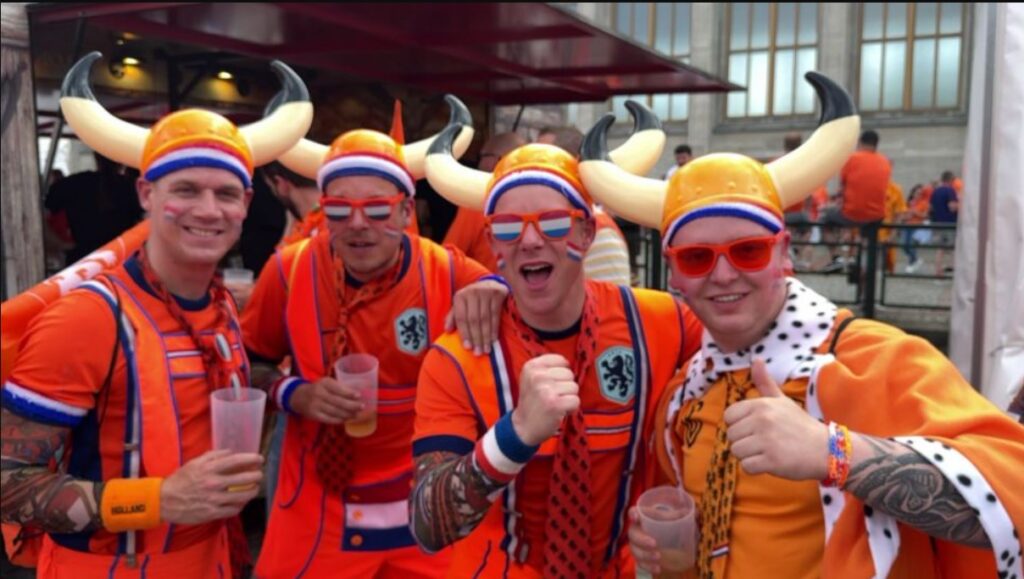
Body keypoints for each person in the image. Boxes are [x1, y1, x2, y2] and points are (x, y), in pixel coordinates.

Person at [581, 70, 1024, 579]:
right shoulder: (685, 394)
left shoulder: (872, 359)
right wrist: (678, 562)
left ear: (784, 255)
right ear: (673, 273)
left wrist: (833, 452)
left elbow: (1013, 493)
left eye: (748, 251)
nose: (724, 274)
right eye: (697, 257)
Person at [0, 52, 312, 578]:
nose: (208, 210)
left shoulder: (219, 308)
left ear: (247, 204)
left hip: (214, 558)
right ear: (146, 193)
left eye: (225, 194)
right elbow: (8, 482)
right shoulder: (87, 319)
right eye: (186, 190)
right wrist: (156, 498)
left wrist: (291, 391)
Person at [409, 103, 703, 578]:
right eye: (507, 227)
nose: (528, 241)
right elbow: (427, 525)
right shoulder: (459, 355)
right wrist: (514, 435)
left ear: (586, 232)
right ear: (494, 244)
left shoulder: (661, 322)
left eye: (552, 222)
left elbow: (750, 330)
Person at [240, 96, 511, 578]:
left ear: (407, 210)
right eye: (340, 210)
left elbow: (528, 300)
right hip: (316, 504)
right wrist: (292, 392)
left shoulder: (446, 270)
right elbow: (248, 366)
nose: (359, 224)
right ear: (323, 210)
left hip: (426, 505)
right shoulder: (290, 269)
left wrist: (494, 287)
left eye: (377, 209)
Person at [536, 126, 634, 286]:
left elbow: (608, 305)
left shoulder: (601, 233)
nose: (528, 169)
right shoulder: (531, 226)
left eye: (540, 160)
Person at [443, 132, 527, 272]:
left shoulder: (479, 203)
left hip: (488, 290)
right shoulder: (540, 200)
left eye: (483, 156)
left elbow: (447, 259)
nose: (479, 162)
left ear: (499, 159)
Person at [821, 130, 891, 272]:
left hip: (853, 213)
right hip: (877, 215)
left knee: (826, 220)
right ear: (876, 145)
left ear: (860, 142)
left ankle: (836, 257)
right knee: (864, 230)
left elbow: (843, 187)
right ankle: (857, 258)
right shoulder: (885, 162)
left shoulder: (851, 158)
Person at [930, 170, 960, 276]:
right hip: (949, 222)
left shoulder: (935, 191)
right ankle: (952, 266)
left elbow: (931, 207)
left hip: (937, 222)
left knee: (940, 248)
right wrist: (959, 204)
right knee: (953, 246)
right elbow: (952, 207)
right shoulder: (950, 190)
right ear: (951, 180)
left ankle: (938, 269)